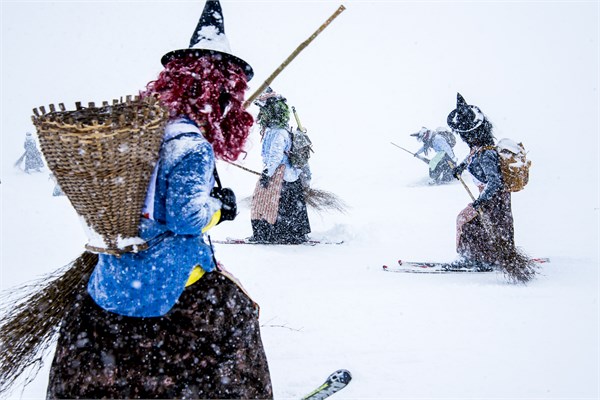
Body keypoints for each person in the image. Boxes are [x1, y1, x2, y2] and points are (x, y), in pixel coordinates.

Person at [45, 1, 272, 398]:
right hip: (166, 282)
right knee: (238, 317)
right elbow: (186, 219)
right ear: (216, 93)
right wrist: (221, 208)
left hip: (114, 278)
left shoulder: (145, 131)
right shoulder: (190, 145)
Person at [447, 93, 519, 273]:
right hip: (490, 198)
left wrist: (482, 201)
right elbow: (470, 158)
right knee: (487, 227)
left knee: (469, 222)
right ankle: (490, 255)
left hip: (493, 199)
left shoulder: (486, 154)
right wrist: (460, 167)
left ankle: (473, 257)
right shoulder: (478, 148)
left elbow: (494, 182)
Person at [248, 88, 311, 244]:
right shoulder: (276, 131)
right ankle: (289, 234)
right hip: (287, 177)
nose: (261, 115)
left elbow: (275, 156)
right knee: (283, 205)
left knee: (267, 203)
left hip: (280, 176)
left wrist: (267, 174)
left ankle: (273, 235)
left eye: (263, 111)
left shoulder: (278, 133)